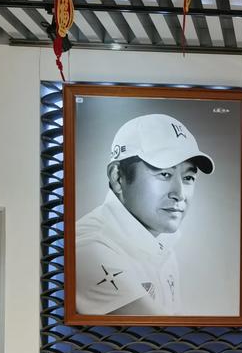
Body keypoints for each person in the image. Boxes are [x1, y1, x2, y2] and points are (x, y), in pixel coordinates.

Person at [74, 113, 213, 316]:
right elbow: (161, 332)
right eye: (164, 174)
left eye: (188, 177)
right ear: (117, 177)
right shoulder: (88, 248)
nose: (180, 194)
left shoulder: (162, 246)